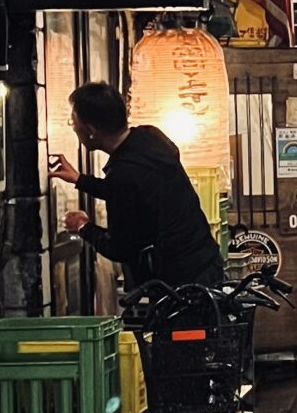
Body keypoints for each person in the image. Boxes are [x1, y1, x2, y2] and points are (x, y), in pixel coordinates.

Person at [49, 80, 224, 291]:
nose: (74, 127)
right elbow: (132, 192)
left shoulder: (123, 175)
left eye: (73, 122)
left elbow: (120, 248)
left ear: (91, 130)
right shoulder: (150, 137)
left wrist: (83, 226)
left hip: (180, 283)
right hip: (205, 261)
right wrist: (79, 179)